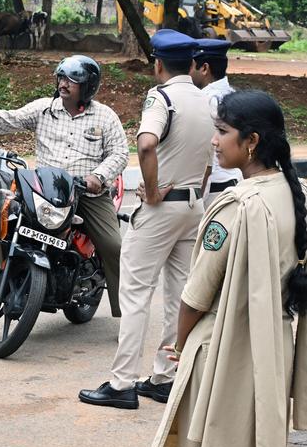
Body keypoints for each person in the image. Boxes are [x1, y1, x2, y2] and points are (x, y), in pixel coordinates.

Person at [149, 91, 307, 447]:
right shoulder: (303, 198)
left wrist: (178, 345)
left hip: (224, 350)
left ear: (251, 142)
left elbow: (195, 294)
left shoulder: (236, 207)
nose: (213, 140)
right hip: (276, 349)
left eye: (222, 131)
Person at [79, 30, 213, 410]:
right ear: (191, 64)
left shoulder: (162, 96)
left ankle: (122, 384)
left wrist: (152, 192)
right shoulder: (205, 100)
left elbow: (146, 143)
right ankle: (163, 377)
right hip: (192, 207)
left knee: (136, 294)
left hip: (161, 208)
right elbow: (209, 157)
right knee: (179, 295)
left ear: (157, 65)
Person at [0, 54, 128, 317]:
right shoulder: (44, 108)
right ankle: (14, 282)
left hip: (86, 194)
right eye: (62, 77)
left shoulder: (105, 117)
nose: (64, 83)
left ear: (88, 86)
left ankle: (127, 313)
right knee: (10, 222)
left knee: (113, 246)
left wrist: (98, 177)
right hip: (44, 189)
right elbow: (12, 118)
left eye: (73, 80)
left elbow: (119, 154)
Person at [190, 39, 240, 205]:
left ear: (204, 68)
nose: (187, 73)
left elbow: (205, 155)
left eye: (190, 66)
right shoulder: (234, 96)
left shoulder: (204, 101)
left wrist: (196, 200)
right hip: (235, 183)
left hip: (212, 190)